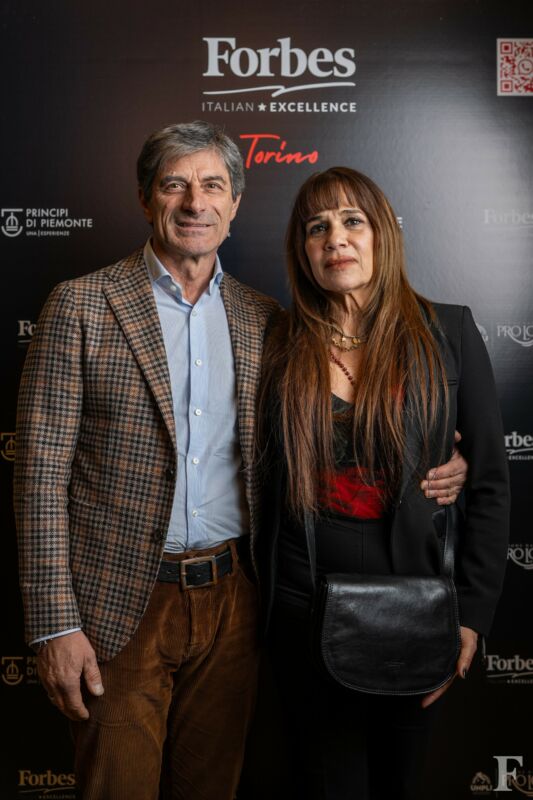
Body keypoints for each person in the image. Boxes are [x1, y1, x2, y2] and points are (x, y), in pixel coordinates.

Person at [14, 124, 466, 800]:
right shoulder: (81, 304)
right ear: (146, 199)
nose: (195, 202)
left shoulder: (267, 321)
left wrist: (442, 458)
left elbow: (322, 437)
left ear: (235, 204)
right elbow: (39, 475)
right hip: (121, 605)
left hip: (236, 604)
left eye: (212, 186)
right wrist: (56, 622)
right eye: (175, 185)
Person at [257, 167, 509, 800]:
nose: (335, 239)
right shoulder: (278, 341)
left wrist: (471, 618)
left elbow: (489, 485)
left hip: (414, 608)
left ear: (383, 235)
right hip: (303, 606)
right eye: (316, 228)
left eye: (352, 221)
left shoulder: (449, 332)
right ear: (302, 251)